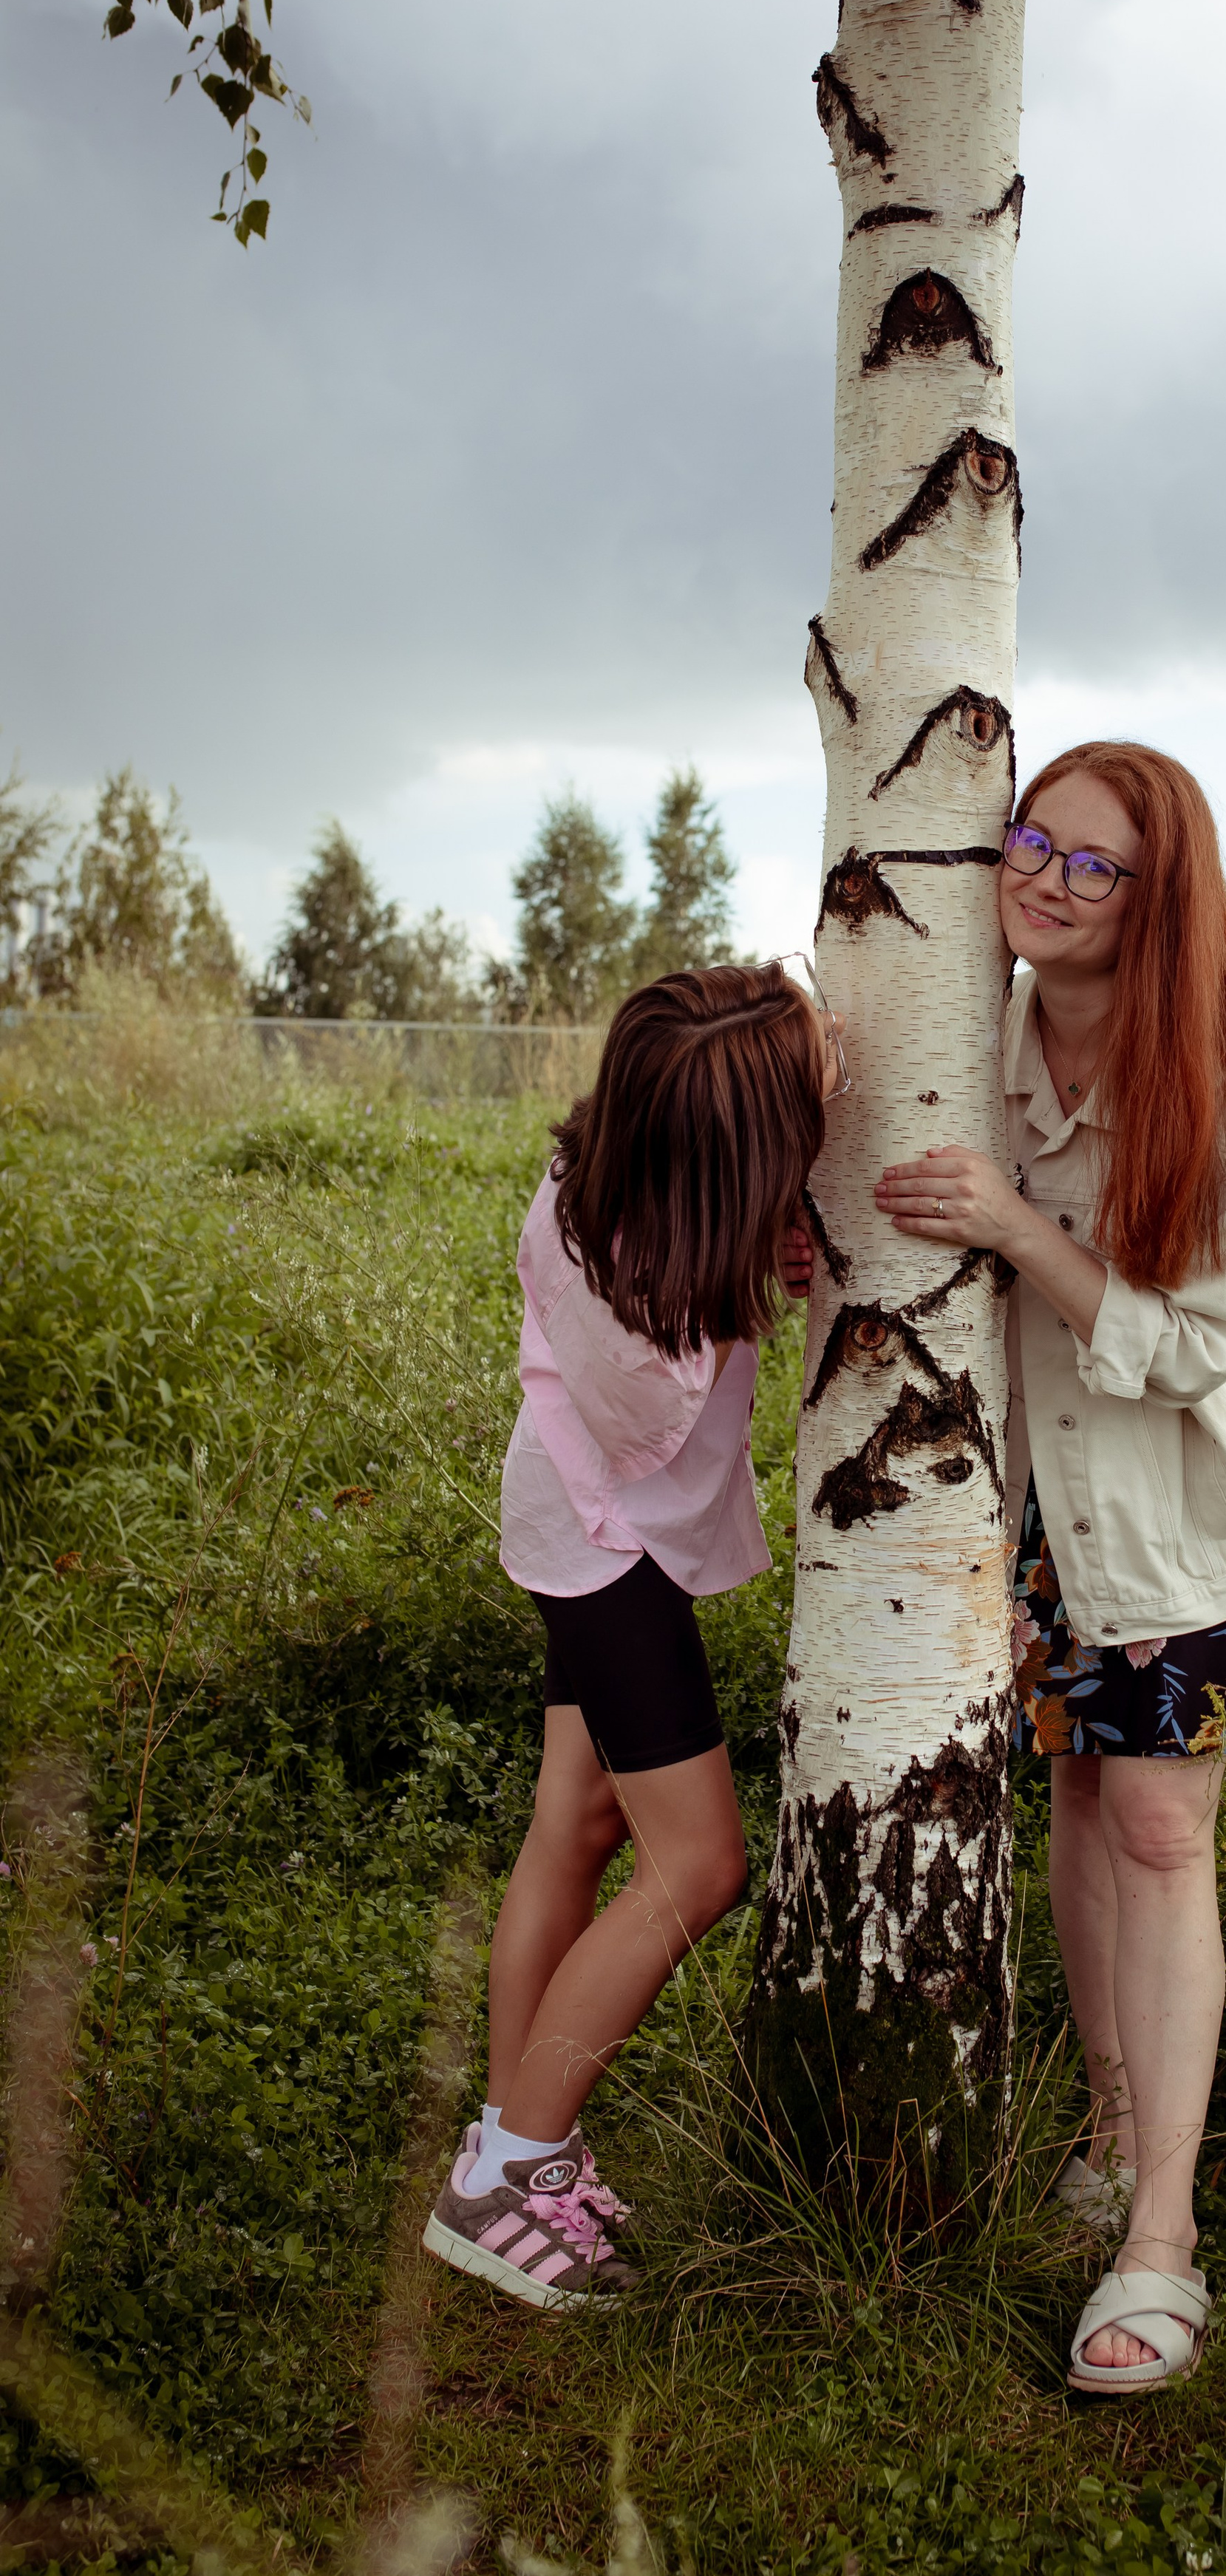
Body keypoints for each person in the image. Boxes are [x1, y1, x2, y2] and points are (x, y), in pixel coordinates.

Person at [876, 743, 1226, 2396]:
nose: (1046, 879)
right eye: (1031, 842)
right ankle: (1110, 2119)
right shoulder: (977, 1030)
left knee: (1155, 1825)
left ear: (1160, 901)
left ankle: (1160, 2240)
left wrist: (1017, 1229)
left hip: (1198, 1508)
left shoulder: (1218, 1074)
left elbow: (1188, 1355)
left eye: (1093, 865)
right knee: (1080, 1797)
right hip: (1056, 1503)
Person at [425, 959, 841, 2310]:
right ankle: (511, 2170)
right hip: (610, 1549)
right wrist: (761, 1273)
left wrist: (753, 1226)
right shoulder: (663, 1323)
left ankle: (512, 2139)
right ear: (738, 1165)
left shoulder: (601, 1186)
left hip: (570, 1506)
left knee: (580, 1818)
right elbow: (677, 1376)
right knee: (701, 1861)